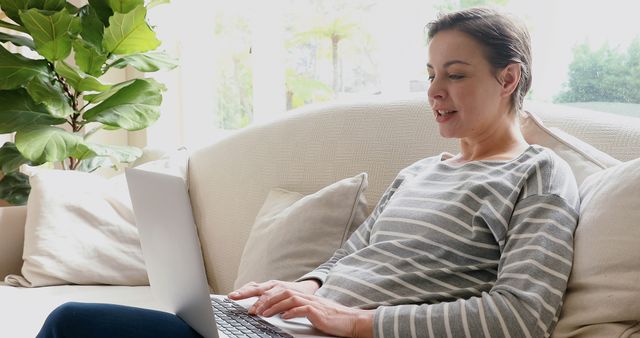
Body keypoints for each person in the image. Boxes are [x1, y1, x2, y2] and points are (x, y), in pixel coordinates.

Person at [37, 7, 579, 338]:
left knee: (73, 324)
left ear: (509, 79)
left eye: (455, 75)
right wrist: (301, 287)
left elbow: (520, 317)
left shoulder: (539, 174)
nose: (435, 91)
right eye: (431, 73)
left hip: (352, 334)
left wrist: (351, 322)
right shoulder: (420, 172)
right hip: (296, 328)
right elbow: (351, 256)